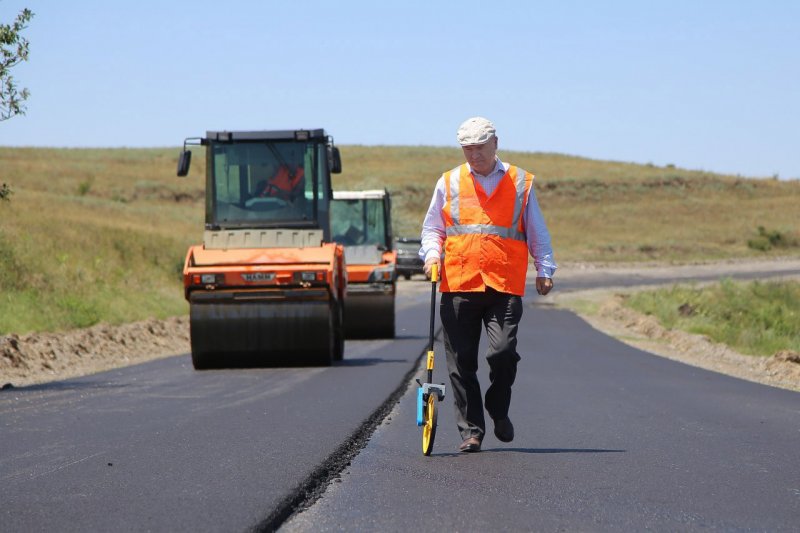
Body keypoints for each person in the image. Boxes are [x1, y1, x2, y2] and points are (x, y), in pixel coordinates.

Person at [419, 116, 557, 453]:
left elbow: (535, 228)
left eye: (480, 148)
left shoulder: (520, 182)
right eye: (468, 149)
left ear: (495, 143)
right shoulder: (448, 182)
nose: (474, 155)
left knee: (503, 353)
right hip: (459, 282)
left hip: (504, 284)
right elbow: (433, 228)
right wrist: (431, 255)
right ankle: (471, 431)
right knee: (462, 362)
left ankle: (498, 408)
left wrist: (545, 268)